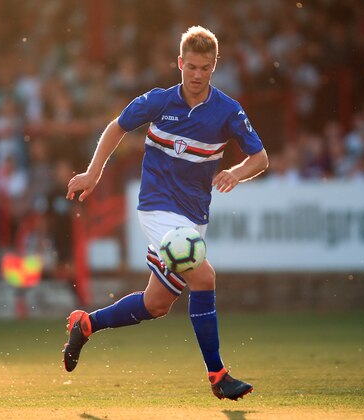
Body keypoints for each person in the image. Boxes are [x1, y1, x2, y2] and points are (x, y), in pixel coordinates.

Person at [63, 26, 268, 401]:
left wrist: (235, 174)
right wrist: (94, 172)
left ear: (214, 67)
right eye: (190, 66)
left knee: (155, 304)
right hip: (156, 209)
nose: (196, 74)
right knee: (204, 278)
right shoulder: (159, 101)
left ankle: (86, 324)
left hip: (193, 218)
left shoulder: (227, 111)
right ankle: (218, 375)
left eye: (205, 68)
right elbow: (116, 127)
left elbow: (261, 157)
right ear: (179, 63)